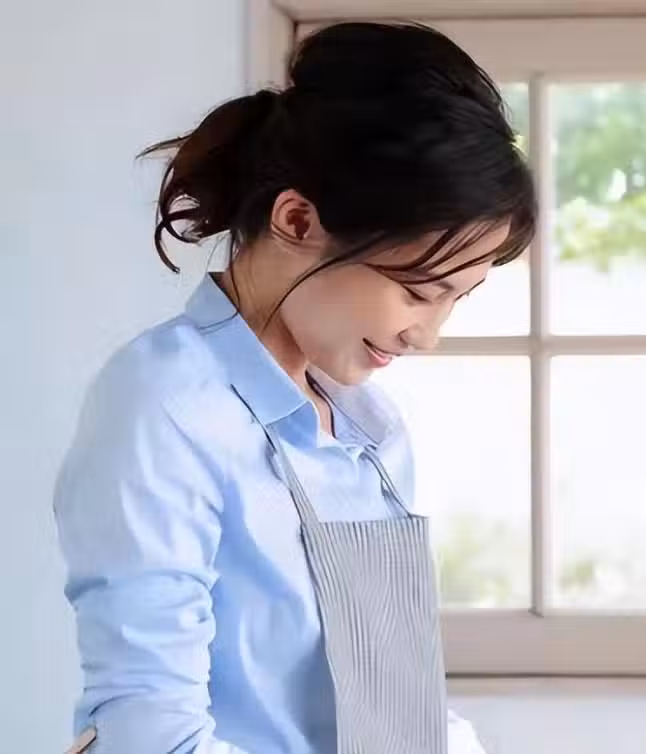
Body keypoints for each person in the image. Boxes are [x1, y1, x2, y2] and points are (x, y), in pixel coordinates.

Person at [52, 20, 535, 754]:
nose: (426, 336)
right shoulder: (163, 406)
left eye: (455, 300)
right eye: (417, 291)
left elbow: (395, 708)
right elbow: (148, 734)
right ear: (298, 219)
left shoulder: (370, 430)